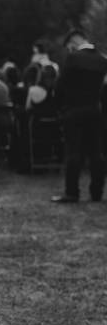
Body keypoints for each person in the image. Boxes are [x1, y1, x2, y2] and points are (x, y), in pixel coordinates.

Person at [52, 29, 107, 203]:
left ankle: (72, 192)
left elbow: (60, 86)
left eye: (69, 47)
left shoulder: (73, 58)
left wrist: (60, 107)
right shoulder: (103, 59)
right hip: (95, 110)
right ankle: (97, 192)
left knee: (73, 152)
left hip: (74, 110)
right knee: (96, 153)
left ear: (74, 42)